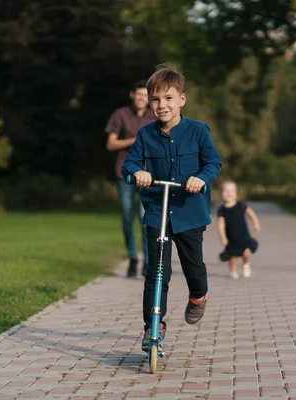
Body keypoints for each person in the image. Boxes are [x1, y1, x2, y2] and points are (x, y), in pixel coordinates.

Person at [121, 63, 222, 353]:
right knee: (156, 272)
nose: (161, 105)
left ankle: (198, 296)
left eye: (168, 98)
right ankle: (154, 326)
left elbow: (213, 163)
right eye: (155, 99)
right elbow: (129, 165)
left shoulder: (199, 131)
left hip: (189, 212)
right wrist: (135, 174)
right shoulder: (145, 135)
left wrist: (200, 179)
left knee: (194, 268)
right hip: (157, 210)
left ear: (181, 99)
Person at [105, 80, 156, 278]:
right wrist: (132, 141)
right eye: (139, 94)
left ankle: (148, 261)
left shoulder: (155, 116)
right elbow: (110, 144)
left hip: (149, 175)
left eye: (146, 95)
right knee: (127, 216)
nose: (142, 98)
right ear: (132, 95)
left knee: (146, 218)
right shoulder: (121, 115)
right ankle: (133, 255)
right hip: (124, 173)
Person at [216, 181, 260, 279]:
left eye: (231, 191)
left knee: (247, 252)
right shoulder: (221, 210)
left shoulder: (241, 205)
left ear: (236, 194)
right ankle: (233, 270)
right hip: (231, 237)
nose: (228, 193)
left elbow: (250, 213)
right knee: (233, 256)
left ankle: (246, 264)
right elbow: (221, 225)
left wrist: (256, 223)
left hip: (244, 235)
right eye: (225, 191)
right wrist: (223, 238)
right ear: (221, 194)